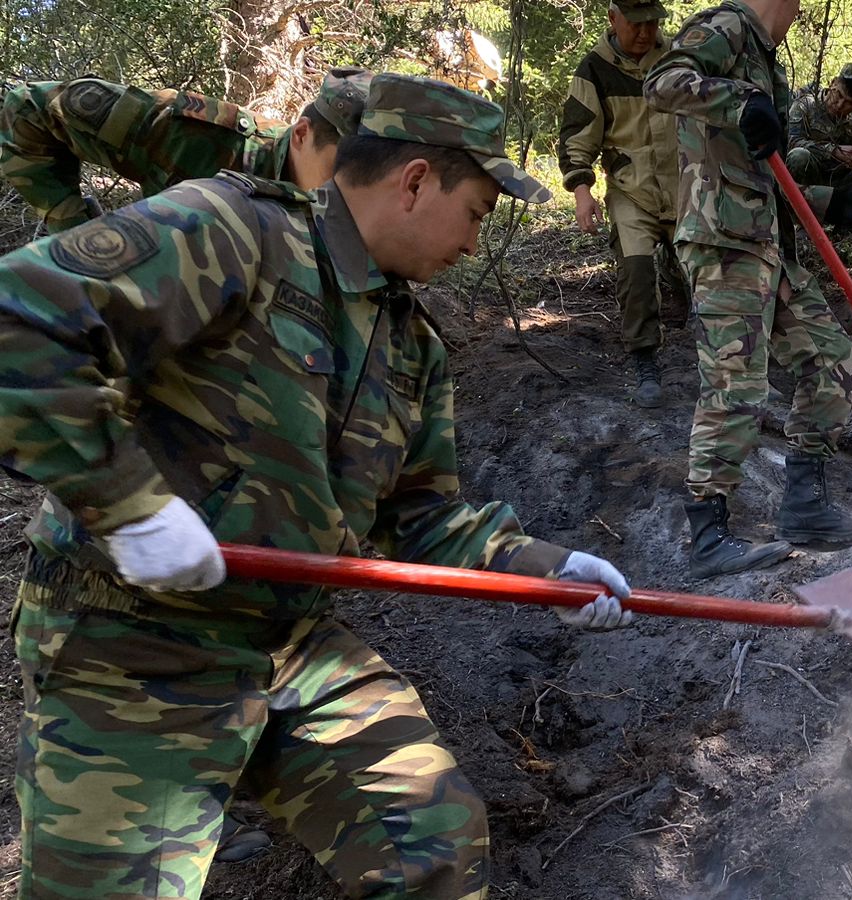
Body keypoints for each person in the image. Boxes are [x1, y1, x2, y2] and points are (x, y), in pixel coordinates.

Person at [0, 73, 632, 900]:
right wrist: (130, 509)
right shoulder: (237, 230)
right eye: (476, 212)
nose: (477, 243)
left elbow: (423, 516)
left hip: (287, 644)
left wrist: (548, 567)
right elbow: (19, 316)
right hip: (131, 642)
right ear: (414, 181)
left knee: (430, 846)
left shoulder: (411, 346)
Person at [645, 0, 852, 580]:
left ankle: (805, 507)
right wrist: (740, 101)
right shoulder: (725, 27)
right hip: (724, 240)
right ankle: (708, 532)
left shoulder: (764, 54)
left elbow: (763, 166)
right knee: (736, 381)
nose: (800, 11)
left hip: (766, 242)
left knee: (832, 358)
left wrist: (832, 203)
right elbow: (662, 82)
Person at [0, 67, 371, 233]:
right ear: (302, 135)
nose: (349, 195)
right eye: (340, 170)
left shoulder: (381, 208)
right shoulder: (194, 136)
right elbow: (27, 109)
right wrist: (73, 229)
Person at [558, 0, 683, 408]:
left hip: (686, 189)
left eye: (652, 22)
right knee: (636, 268)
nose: (646, 32)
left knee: (714, 268)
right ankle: (645, 358)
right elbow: (578, 136)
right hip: (631, 191)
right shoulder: (593, 69)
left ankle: (726, 355)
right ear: (613, 19)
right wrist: (582, 192)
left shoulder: (679, 57)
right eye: (636, 23)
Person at [784, 63, 852, 225]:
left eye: (850, 103)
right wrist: (833, 151)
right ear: (833, 83)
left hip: (841, 184)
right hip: (809, 181)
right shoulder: (806, 104)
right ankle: (799, 220)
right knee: (799, 155)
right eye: (838, 95)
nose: (840, 105)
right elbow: (792, 142)